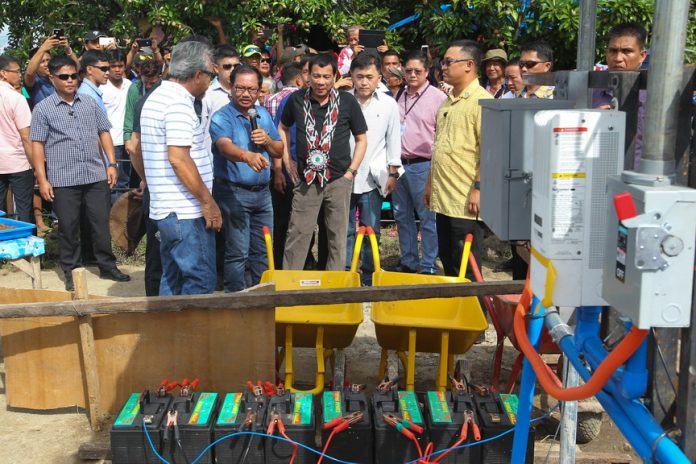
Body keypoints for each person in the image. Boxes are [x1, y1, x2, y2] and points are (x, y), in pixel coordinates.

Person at [30, 55, 130, 291]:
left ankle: (107, 265)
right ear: (52, 78)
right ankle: (71, 271)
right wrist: (42, 179)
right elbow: (37, 145)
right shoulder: (43, 109)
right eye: (64, 77)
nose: (70, 81)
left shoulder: (89, 102)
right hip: (63, 178)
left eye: (74, 76)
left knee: (100, 224)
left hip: (95, 174)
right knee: (68, 227)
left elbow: (104, 132)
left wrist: (112, 164)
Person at [139, 41, 221, 296]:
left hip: (168, 209)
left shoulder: (157, 97)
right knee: (200, 280)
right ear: (198, 75)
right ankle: (193, 336)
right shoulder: (178, 104)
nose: (210, 83)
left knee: (172, 279)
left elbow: (136, 149)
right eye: (211, 75)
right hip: (185, 212)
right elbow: (179, 159)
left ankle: (168, 334)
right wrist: (207, 202)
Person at [279, 53, 368, 271]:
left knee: (337, 236)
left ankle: (334, 289)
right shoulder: (297, 100)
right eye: (316, 76)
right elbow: (282, 128)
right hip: (306, 180)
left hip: (338, 179)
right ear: (307, 75)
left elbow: (361, 138)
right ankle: (289, 289)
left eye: (327, 77)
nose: (321, 82)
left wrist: (351, 173)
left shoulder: (347, 101)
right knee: (298, 234)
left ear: (335, 76)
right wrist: (287, 160)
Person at [210, 65, 284, 291]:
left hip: (262, 194)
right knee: (238, 252)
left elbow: (279, 150)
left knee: (263, 250)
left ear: (260, 90)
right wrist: (246, 155)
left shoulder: (262, 115)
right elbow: (224, 146)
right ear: (231, 88)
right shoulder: (222, 116)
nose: (245, 94)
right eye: (240, 88)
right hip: (234, 193)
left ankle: (260, 297)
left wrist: (268, 142)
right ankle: (236, 299)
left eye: (252, 90)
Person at [425, 40, 492, 278]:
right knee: (449, 258)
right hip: (444, 196)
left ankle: (476, 311)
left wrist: (479, 188)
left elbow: (489, 150)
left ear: (469, 65)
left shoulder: (482, 102)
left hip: (465, 199)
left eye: (449, 61)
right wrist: (430, 182)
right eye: (443, 62)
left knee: (468, 263)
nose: (443, 66)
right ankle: (457, 309)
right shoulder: (448, 100)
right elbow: (440, 146)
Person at [345, 53, 401, 285]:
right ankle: (346, 272)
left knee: (371, 229)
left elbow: (393, 140)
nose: (364, 82)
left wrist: (393, 172)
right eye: (360, 77)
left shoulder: (388, 104)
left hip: (372, 178)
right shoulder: (342, 100)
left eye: (370, 76)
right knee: (344, 229)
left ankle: (369, 274)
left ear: (380, 77)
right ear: (352, 77)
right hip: (344, 176)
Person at [391, 50, 446, 274]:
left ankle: (428, 264)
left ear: (427, 72)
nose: (412, 75)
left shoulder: (438, 97)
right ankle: (409, 260)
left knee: (427, 218)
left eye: (418, 71)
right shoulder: (399, 95)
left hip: (424, 164)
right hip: (399, 165)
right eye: (409, 71)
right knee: (401, 216)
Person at [593, 22, 648, 168]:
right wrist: (591, 118)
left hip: (638, 176)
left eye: (626, 51)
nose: (618, 58)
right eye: (613, 51)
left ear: (642, 56)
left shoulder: (654, 93)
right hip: (596, 171)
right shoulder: (590, 88)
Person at [0, 55, 33, 223]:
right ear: (3, 73)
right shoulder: (16, 98)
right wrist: (36, 164)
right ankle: (29, 247)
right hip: (18, 162)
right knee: (24, 209)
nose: (20, 75)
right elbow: (26, 136)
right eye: (16, 71)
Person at [102, 49, 133, 203]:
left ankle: (121, 221)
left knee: (124, 183)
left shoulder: (130, 85)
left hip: (127, 141)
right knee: (112, 182)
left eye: (120, 66)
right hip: (109, 143)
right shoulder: (101, 87)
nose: (117, 70)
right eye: (113, 66)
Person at [24, 36, 77, 107]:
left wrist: (67, 49)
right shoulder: (35, 81)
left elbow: (76, 68)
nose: (46, 64)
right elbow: (29, 73)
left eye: (48, 60)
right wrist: (43, 48)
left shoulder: (60, 76)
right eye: (42, 62)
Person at [123, 59, 163, 150]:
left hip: (159, 138)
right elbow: (129, 115)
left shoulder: (165, 88)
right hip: (138, 137)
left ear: (159, 77)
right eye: (145, 82)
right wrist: (127, 139)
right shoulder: (135, 88)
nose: (148, 86)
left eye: (152, 83)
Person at [77, 50, 111, 115]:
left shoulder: (89, 92)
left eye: (108, 69)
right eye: (103, 69)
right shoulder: (86, 96)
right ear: (89, 69)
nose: (107, 73)